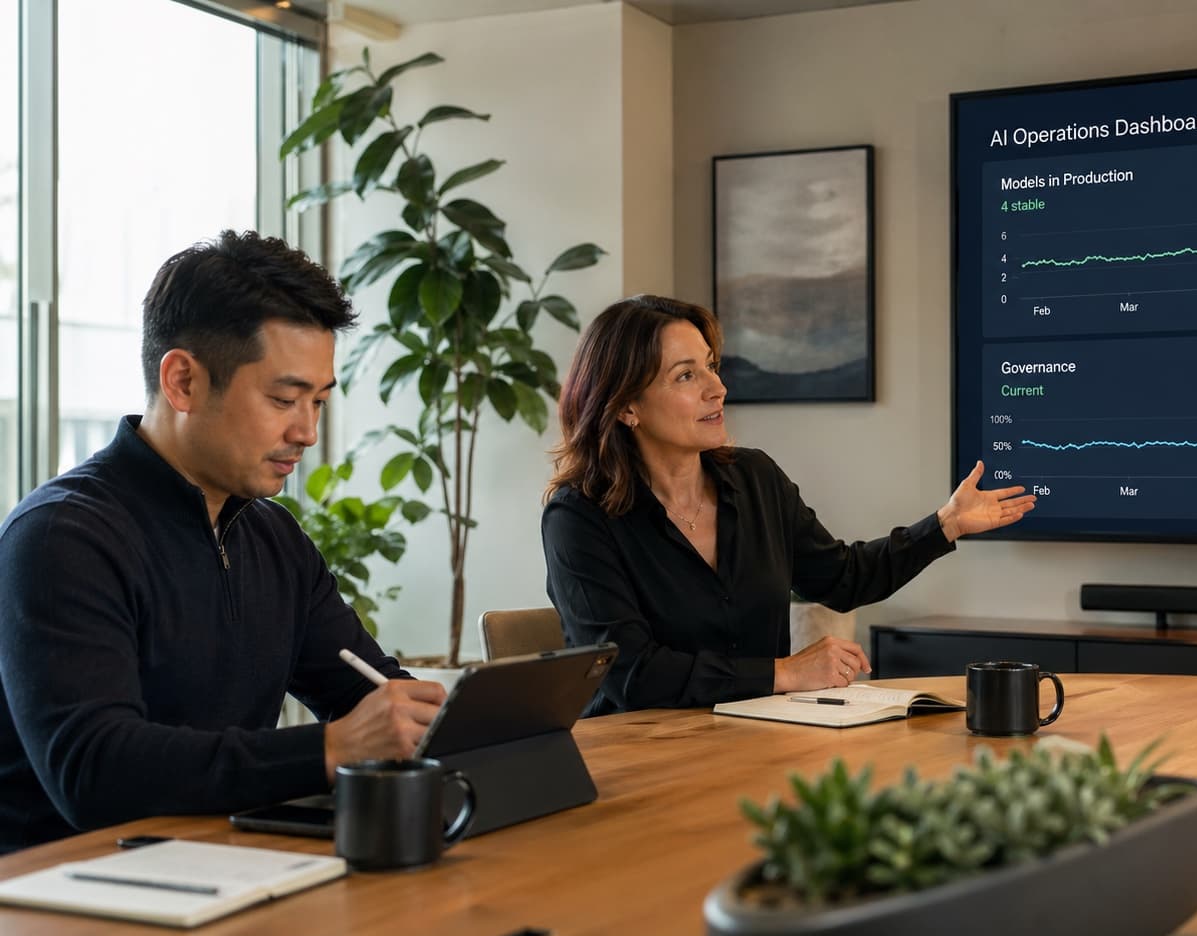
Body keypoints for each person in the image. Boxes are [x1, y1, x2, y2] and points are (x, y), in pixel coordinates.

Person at [0, 231, 445, 853]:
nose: (307, 432)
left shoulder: (274, 538)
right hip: (65, 892)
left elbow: (368, 690)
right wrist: (329, 748)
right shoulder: (61, 536)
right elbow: (93, 770)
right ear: (182, 381)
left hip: (220, 867)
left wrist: (445, 719)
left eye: (318, 401)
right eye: (284, 399)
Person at [542, 294, 1036, 716]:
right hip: (637, 760)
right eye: (685, 376)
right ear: (627, 406)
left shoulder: (755, 479)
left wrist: (945, 525)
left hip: (751, 740)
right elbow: (628, 674)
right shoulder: (579, 516)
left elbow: (842, 578)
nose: (718, 387)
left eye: (711, 365)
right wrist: (782, 673)